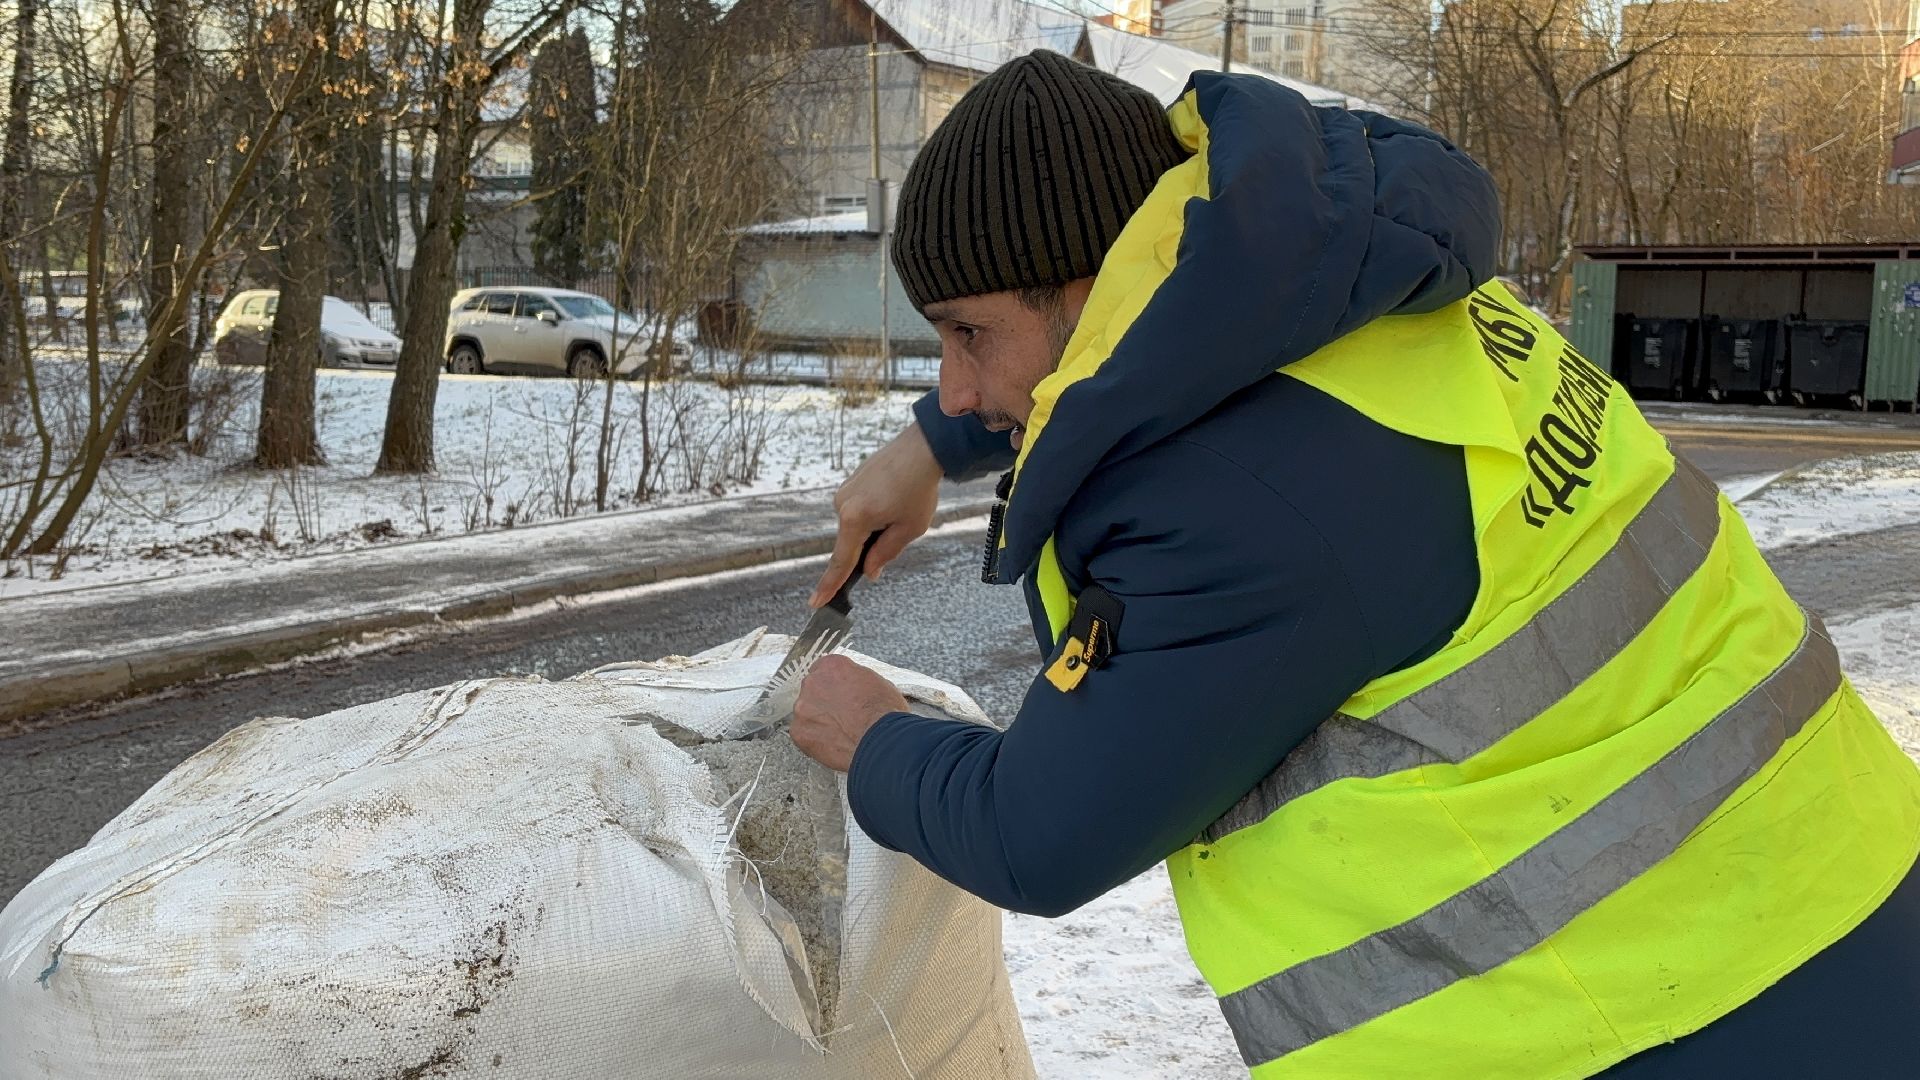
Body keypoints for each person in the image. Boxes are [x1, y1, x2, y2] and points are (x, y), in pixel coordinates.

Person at [789, 50, 1920, 1077]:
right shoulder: (1346, 275)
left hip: (1660, 1006)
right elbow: (1157, 364)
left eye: (968, 337)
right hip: (1837, 866)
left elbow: (1037, 834)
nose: (953, 383)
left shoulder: (1240, 505)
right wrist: (938, 447)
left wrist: (872, 735)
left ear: (1087, 292)